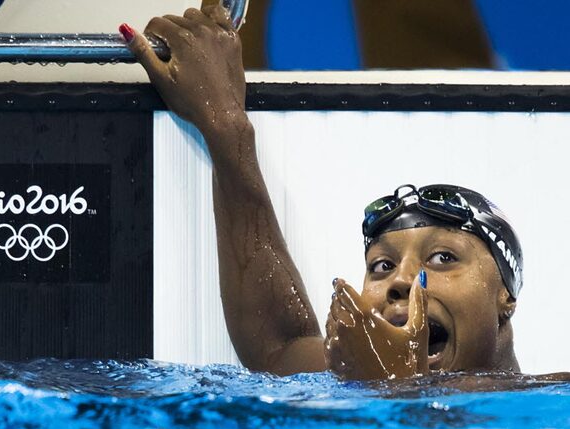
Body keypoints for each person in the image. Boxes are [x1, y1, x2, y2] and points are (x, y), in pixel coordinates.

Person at [118, 7, 526, 381]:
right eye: (381, 266)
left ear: (505, 296)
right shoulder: (354, 379)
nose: (401, 280)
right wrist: (224, 125)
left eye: (443, 258)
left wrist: (397, 388)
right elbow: (278, 347)